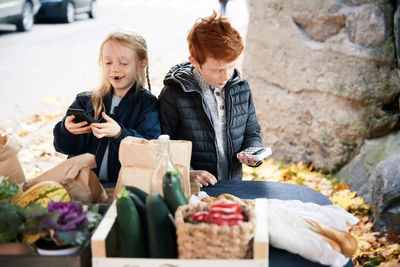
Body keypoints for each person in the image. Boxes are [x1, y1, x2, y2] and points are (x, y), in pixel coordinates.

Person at [158, 11, 263, 187]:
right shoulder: (173, 94)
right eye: (217, 69)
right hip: (190, 188)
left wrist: (253, 154)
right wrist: (186, 173)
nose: (227, 75)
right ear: (195, 62)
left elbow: (251, 132)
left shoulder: (241, 89)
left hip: (233, 184)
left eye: (231, 66)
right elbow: (162, 144)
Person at [53, 29, 161, 185]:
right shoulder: (85, 101)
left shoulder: (148, 104)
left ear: (141, 63)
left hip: (124, 187)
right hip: (82, 185)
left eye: (123, 63)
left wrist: (120, 134)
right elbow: (63, 147)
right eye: (108, 62)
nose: (115, 69)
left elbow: (151, 149)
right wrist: (66, 131)